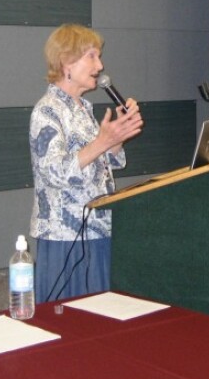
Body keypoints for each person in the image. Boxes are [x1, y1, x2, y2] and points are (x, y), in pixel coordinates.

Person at [29, 24, 143, 302]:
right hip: (64, 236)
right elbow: (54, 172)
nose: (100, 65)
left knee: (98, 316)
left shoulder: (82, 108)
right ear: (66, 61)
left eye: (98, 56)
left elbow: (99, 164)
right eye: (91, 56)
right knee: (68, 321)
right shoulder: (47, 111)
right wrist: (102, 142)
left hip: (98, 227)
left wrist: (116, 138)